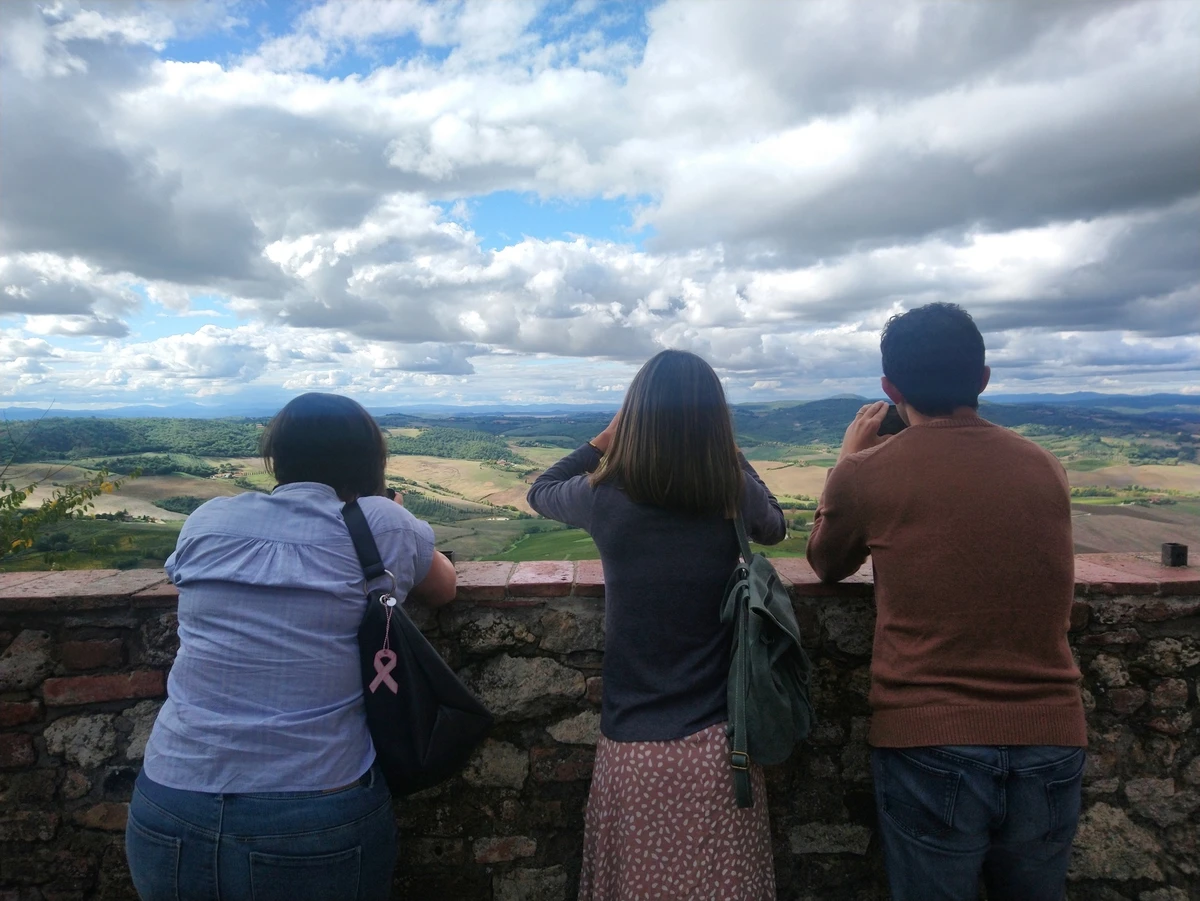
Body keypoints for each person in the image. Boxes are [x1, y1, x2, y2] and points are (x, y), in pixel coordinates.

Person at [125, 393, 457, 901]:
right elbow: (443, 587)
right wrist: (395, 515)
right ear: (370, 460)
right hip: (314, 804)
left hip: (171, 795)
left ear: (277, 457)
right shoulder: (382, 521)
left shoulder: (208, 518)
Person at [806, 303, 1087, 901]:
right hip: (1051, 731)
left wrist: (847, 459)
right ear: (982, 378)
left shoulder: (868, 471)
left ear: (891, 389)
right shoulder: (1045, 465)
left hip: (928, 736)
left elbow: (827, 562)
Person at [527, 349, 787, 901]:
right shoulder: (730, 491)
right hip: (723, 745)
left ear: (634, 417)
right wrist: (733, 456)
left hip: (632, 747)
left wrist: (603, 439)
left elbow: (540, 489)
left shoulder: (602, 497)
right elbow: (776, 527)